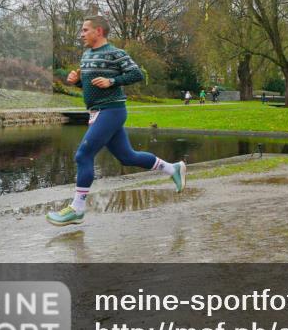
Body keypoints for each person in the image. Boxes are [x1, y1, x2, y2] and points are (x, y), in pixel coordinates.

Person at [47, 16, 186, 226]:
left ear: (99, 31)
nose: (81, 34)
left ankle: (77, 208)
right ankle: (172, 168)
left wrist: (112, 80)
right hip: (98, 112)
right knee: (127, 157)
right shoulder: (86, 55)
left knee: (83, 154)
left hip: (112, 110)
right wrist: (77, 83)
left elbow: (136, 74)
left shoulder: (116, 53)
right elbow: (92, 86)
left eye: (85, 30)